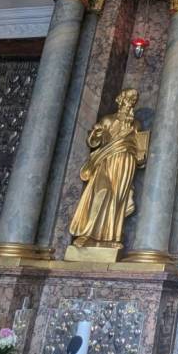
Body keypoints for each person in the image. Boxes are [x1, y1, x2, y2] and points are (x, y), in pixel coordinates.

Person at [69, 88, 149, 249]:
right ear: (121, 99)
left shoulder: (136, 125)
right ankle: (88, 233)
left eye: (134, 99)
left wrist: (140, 155)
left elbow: (140, 148)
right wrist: (97, 134)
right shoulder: (108, 120)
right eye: (129, 98)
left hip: (126, 162)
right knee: (102, 192)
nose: (131, 102)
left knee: (118, 199)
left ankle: (112, 237)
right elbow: (92, 141)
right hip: (106, 161)